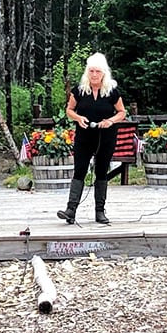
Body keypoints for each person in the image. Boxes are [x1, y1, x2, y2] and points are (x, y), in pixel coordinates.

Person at [57, 53, 126, 225]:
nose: (94, 75)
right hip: (84, 136)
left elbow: (122, 112)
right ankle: (70, 210)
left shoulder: (112, 92)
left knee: (101, 172)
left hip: (106, 137)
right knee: (79, 170)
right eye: (91, 71)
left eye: (98, 71)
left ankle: (100, 212)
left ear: (104, 73)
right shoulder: (79, 91)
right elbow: (69, 110)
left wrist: (109, 121)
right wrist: (78, 118)